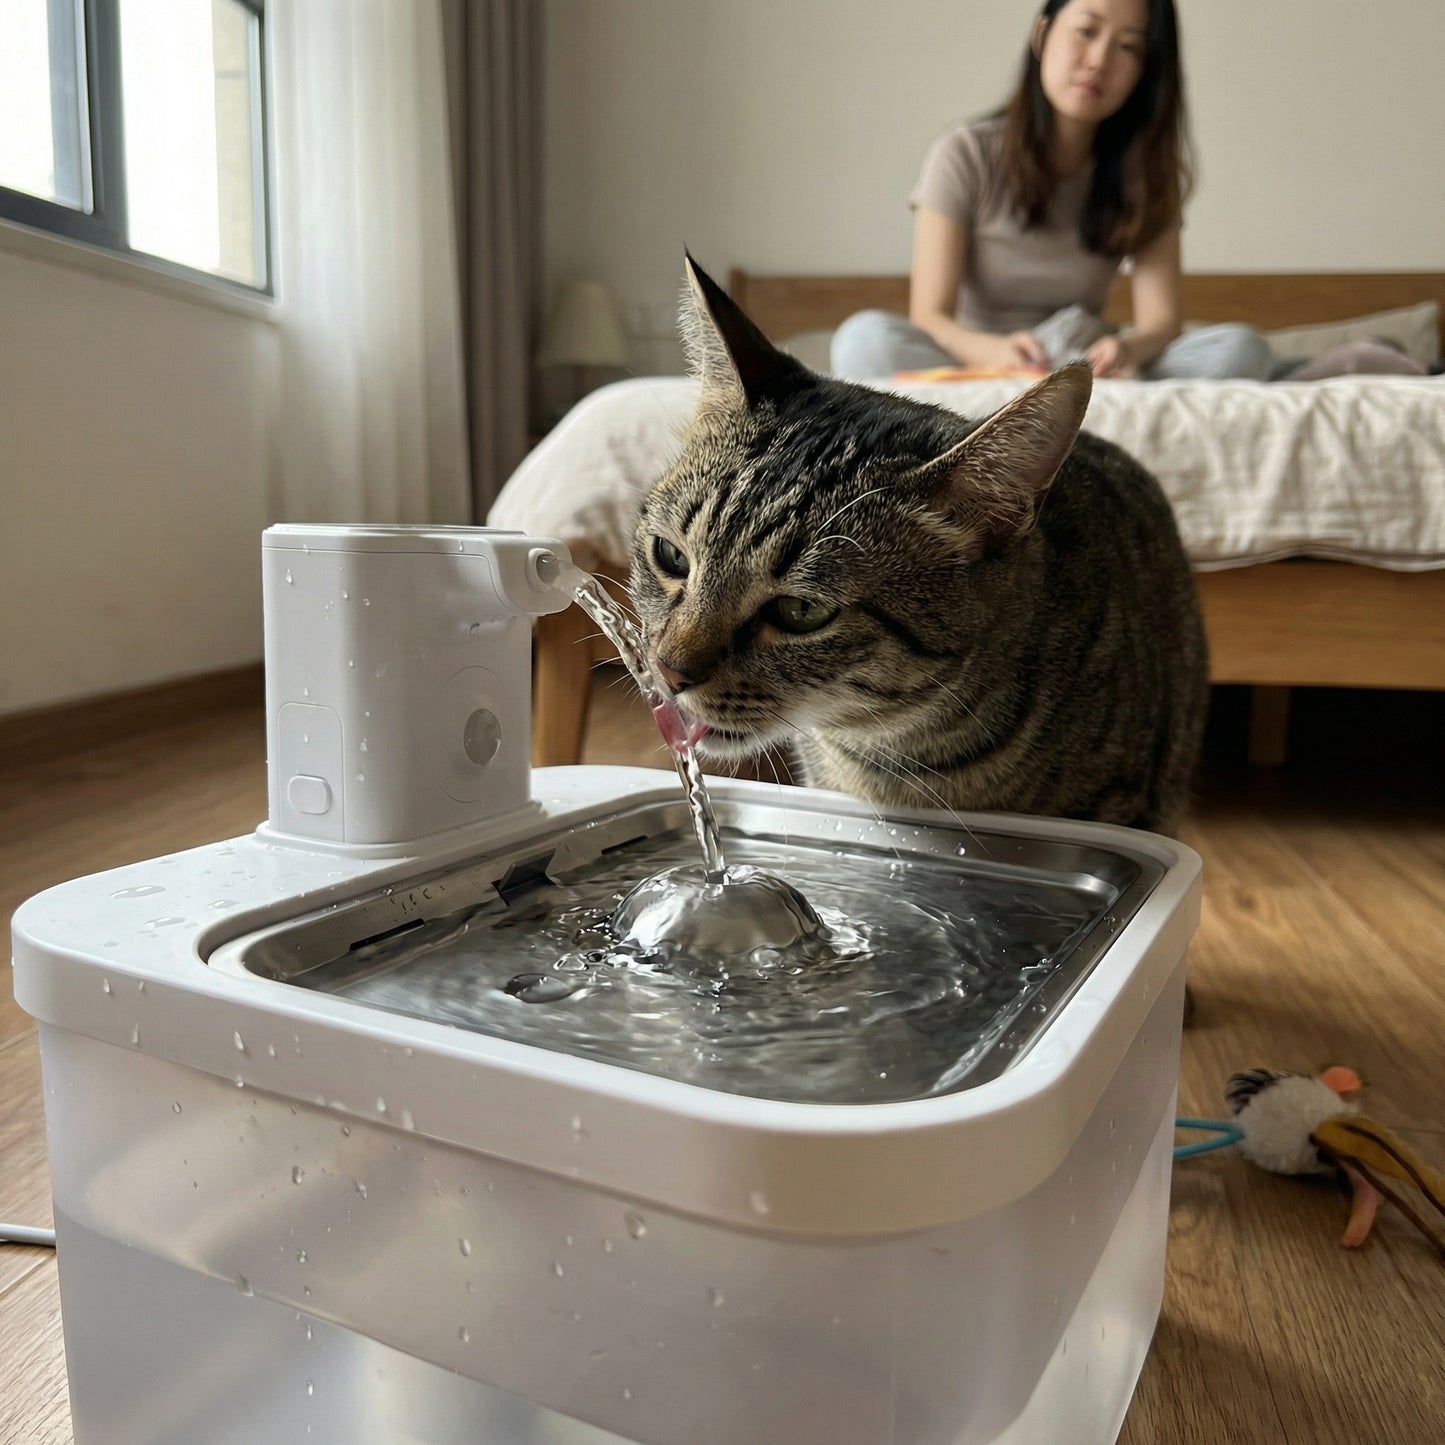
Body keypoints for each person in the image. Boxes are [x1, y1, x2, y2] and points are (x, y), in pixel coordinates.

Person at [831, 0, 1274, 382]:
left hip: (1083, 364)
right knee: (864, 341)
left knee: (1242, 350)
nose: (1099, 60)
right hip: (977, 363)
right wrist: (994, 353)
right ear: (1042, 35)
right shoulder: (964, 152)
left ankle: (1066, 394)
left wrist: (1127, 349)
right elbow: (931, 317)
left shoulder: (1147, 174)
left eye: (1128, 47)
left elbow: (1160, 322)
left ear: (1146, 70)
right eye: (1086, 31)